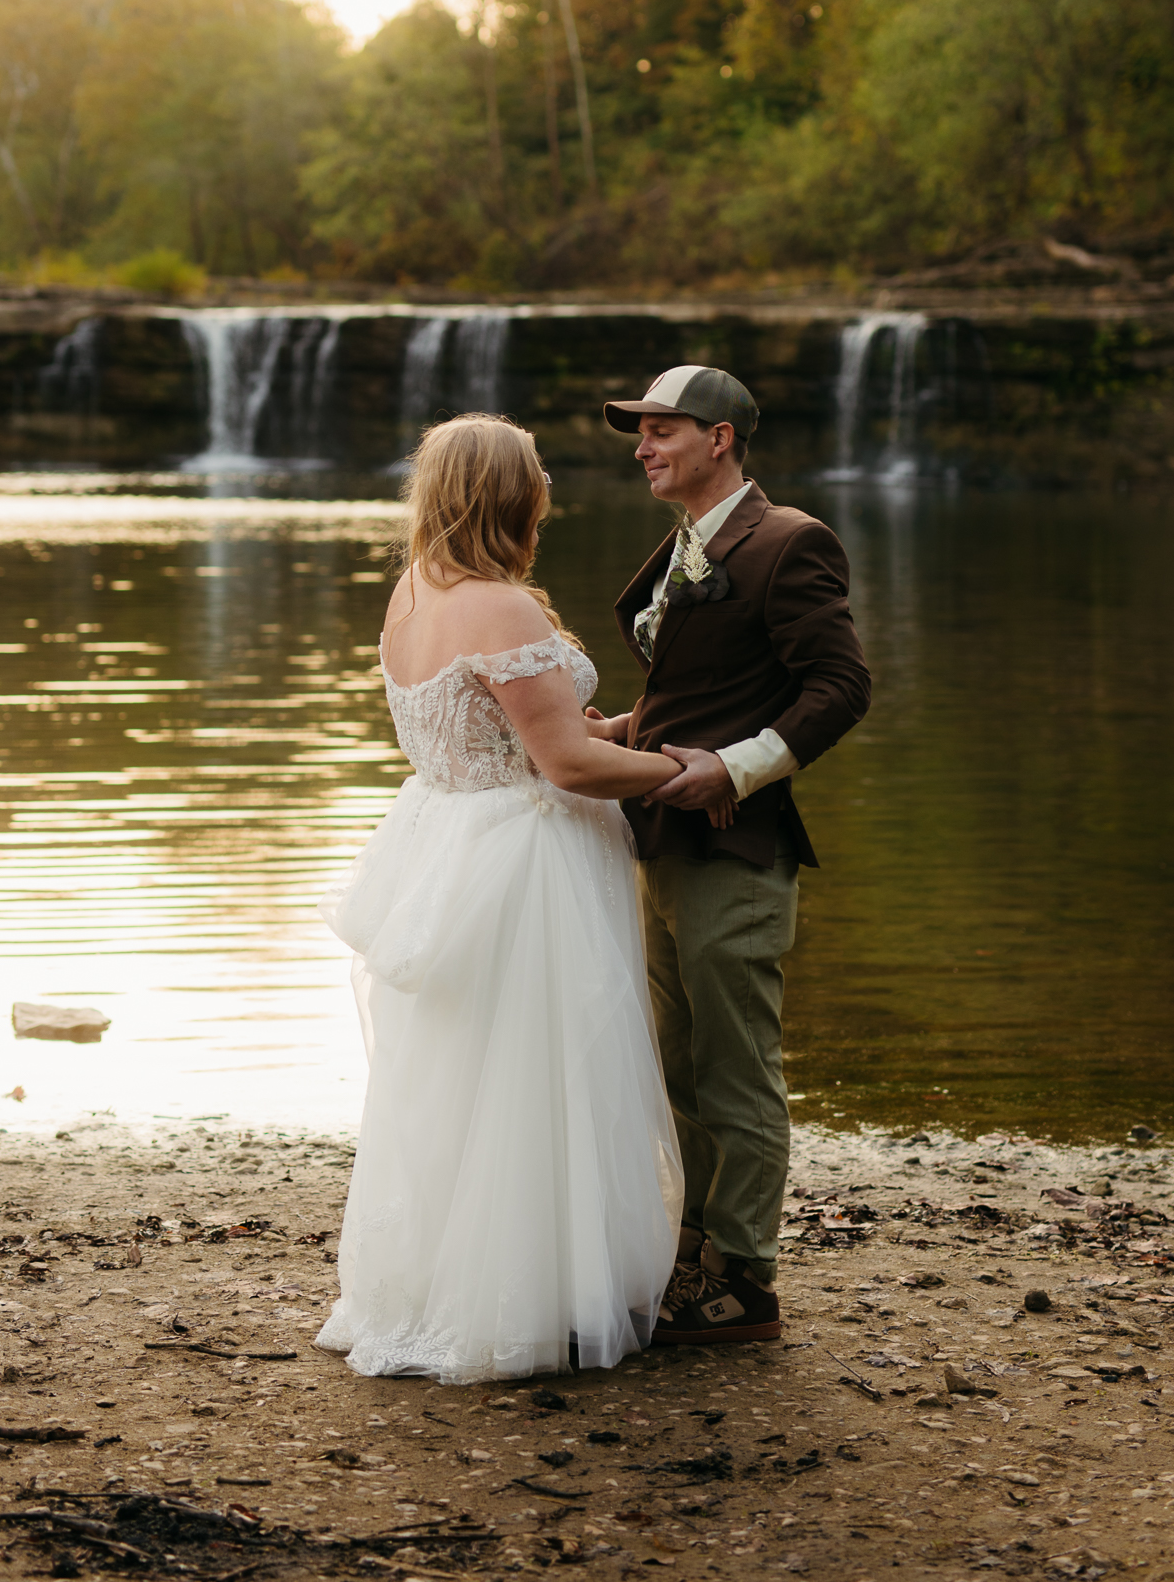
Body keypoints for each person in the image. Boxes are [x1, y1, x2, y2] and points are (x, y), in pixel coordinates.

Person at [315, 414, 685, 1385]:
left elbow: (516, 730)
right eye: (536, 474)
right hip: (525, 861)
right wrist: (684, 768)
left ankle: (433, 1289)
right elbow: (563, 764)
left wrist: (627, 726)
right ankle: (533, 1298)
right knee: (541, 1070)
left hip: (445, 842)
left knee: (454, 1077)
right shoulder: (504, 605)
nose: (548, 483)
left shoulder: (413, 592)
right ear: (507, 495)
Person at [598, 366, 872, 1345]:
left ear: (721, 437)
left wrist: (736, 768)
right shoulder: (683, 548)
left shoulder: (788, 540)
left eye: (661, 428)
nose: (643, 445)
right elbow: (707, 687)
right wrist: (623, 728)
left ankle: (747, 1280)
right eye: (639, 431)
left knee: (737, 1069)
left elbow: (839, 686)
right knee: (676, 1066)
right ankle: (695, 1252)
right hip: (661, 842)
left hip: (737, 846)